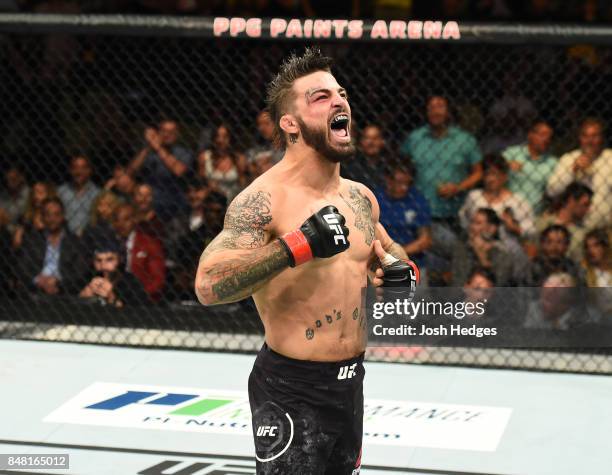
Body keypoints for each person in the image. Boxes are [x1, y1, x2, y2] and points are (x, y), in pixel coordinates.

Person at [195, 48, 418, 475]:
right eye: (320, 97)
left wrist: (398, 273)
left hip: (351, 384)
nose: (339, 102)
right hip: (289, 388)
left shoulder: (359, 197)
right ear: (290, 124)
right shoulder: (263, 199)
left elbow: (391, 256)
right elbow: (208, 285)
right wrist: (296, 246)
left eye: (341, 93)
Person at [400, 95, 482, 272]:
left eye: (440, 107)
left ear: (449, 111)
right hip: (421, 212)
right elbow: (402, 168)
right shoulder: (415, 138)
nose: (435, 111)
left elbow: (478, 173)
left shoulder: (465, 140)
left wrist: (458, 187)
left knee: (457, 256)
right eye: (431, 107)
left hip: (455, 213)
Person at [546, 118, 612, 230]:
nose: (590, 140)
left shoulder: (610, 158)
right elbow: (552, 191)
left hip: (606, 228)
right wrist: (572, 171)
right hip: (573, 228)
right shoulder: (569, 159)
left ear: (602, 138)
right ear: (580, 138)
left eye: (595, 136)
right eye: (585, 136)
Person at [374, 162, 431, 284]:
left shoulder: (417, 199)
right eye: (400, 182)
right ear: (388, 180)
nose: (404, 187)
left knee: (417, 301)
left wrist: (397, 255)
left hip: (412, 261)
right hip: (378, 261)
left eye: (408, 183)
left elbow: (425, 240)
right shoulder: (376, 199)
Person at [17, 197, 86, 296]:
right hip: (35, 289)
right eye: (47, 215)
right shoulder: (32, 239)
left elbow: (80, 272)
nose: (52, 219)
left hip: (65, 289)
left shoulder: (75, 241)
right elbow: (22, 267)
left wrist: (58, 281)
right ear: (42, 217)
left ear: (63, 216)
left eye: (56, 214)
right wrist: (38, 280)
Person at [459, 154, 535, 240]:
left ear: (504, 176)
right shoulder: (474, 196)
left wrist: (514, 227)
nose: (490, 179)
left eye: (494, 174)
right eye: (487, 174)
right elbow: (463, 221)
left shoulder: (517, 201)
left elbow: (531, 232)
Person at [128, 119, 194, 218]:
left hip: (174, 206)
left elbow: (179, 170)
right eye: (164, 131)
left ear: (177, 134)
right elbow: (131, 171)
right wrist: (148, 146)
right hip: (150, 206)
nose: (167, 135)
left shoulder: (184, 153)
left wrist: (158, 147)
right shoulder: (150, 152)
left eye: (171, 132)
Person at [112, 203, 165, 302]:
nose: (121, 224)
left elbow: (158, 280)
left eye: (126, 219)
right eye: (116, 220)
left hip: (141, 299)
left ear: (134, 220)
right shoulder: (109, 242)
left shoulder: (149, 244)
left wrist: (139, 295)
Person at [502, 120, 557, 214]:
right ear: (530, 135)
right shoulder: (513, 153)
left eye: (549, 136)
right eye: (543, 134)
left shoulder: (553, 162)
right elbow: (492, 166)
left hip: (534, 215)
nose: (546, 139)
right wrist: (506, 164)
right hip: (507, 209)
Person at [452, 208, 515, 286]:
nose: (472, 227)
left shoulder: (502, 254)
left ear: (491, 228)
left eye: (478, 223)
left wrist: (482, 256)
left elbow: (498, 286)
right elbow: (457, 282)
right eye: (472, 222)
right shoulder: (463, 249)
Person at [79, 239, 148, 307]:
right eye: (98, 260)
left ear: (120, 259)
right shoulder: (86, 278)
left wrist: (112, 298)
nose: (103, 265)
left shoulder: (131, 282)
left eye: (109, 259)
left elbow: (142, 311)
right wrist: (82, 296)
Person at [537, 182, 593, 262]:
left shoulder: (583, 234)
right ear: (571, 200)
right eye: (585, 204)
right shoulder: (541, 223)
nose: (588, 210)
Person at [197, 124, 247, 201]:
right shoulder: (204, 157)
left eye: (225, 137)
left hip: (234, 199)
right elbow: (200, 182)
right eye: (217, 136)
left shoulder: (239, 158)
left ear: (231, 139)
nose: (220, 140)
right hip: (212, 200)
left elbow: (243, 183)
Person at [57, 155, 100, 236]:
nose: (79, 172)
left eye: (83, 168)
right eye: (75, 167)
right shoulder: (61, 192)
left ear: (89, 170)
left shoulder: (97, 194)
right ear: (70, 170)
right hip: (65, 236)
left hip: (90, 237)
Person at [341, 123, 389, 188]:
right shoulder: (351, 167)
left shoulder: (389, 166)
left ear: (382, 141)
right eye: (366, 138)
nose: (370, 142)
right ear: (361, 142)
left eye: (375, 138)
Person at [246, 110, 284, 180]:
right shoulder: (257, 148)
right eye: (259, 124)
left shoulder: (287, 146)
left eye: (266, 123)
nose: (261, 128)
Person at [0, 166, 29, 234]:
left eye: (13, 179)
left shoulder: (29, 194)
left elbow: (27, 216)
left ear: (22, 177)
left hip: (24, 230)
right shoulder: (4, 195)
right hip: (6, 229)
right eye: (8, 179)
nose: (10, 183)